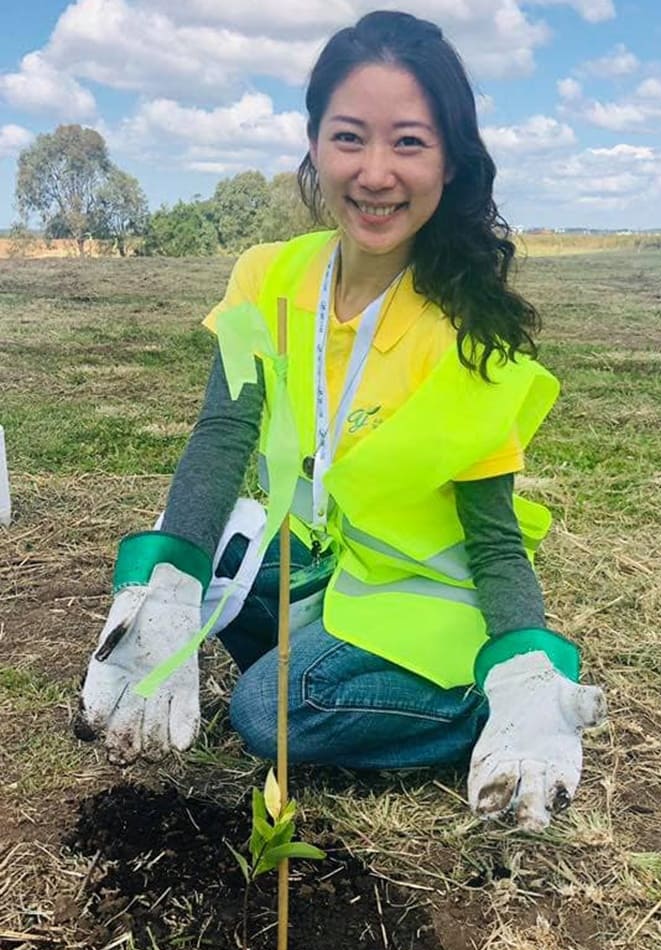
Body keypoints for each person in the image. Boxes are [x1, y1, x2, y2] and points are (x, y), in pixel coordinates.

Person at [76, 10, 605, 833]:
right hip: (329, 566)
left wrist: (525, 670)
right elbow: (224, 434)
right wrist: (170, 577)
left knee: (262, 713)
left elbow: (495, 541)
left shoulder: (465, 335)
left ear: (451, 161)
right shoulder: (270, 275)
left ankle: (475, 705)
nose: (376, 173)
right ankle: (328, 676)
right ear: (315, 142)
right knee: (214, 546)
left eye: (410, 143)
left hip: (420, 604)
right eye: (351, 137)